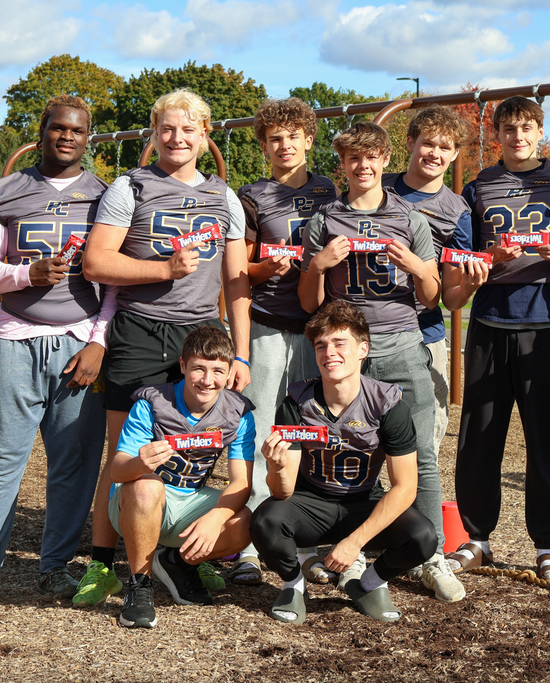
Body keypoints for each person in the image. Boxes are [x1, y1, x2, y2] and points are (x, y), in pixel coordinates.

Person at [0, 95, 112, 614]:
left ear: (88, 138)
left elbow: (117, 284)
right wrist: (24, 275)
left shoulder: (108, 198)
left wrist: (99, 341)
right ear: (41, 133)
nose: (67, 138)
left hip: (80, 343)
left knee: (73, 464)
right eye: (58, 129)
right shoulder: (5, 193)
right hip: (15, 339)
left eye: (77, 131)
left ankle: (54, 567)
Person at [75, 87, 252, 606]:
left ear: (205, 134)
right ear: (154, 133)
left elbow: (236, 280)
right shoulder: (130, 187)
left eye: (187, 129)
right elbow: (97, 262)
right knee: (124, 454)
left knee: (202, 448)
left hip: (201, 335)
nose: (176, 138)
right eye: (166, 129)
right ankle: (103, 564)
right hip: (142, 330)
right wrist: (163, 269)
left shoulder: (225, 196)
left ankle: (178, 551)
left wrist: (240, 353)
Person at [298, 121, 464, 602]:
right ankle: (349, 553)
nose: (363, 166)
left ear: (386, 160)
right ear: (344, 164)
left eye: (371, 158)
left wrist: (417, 267)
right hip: (346, 351)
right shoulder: (325, 219)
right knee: (345, 452)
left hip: (401, 343)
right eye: (354, 158)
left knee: (421, 455)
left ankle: (428, 554)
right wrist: (318, 265)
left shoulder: (410, 219)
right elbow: (310, 303)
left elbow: (432, 296)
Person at [444, 95, 550, 582]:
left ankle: (547, 544)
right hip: (490, 322)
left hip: (546, 324)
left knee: (545, 437)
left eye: (527, 128)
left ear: (539, 131)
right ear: (497, 134)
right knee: (479, 436)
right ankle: (476, 538)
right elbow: (462, 257)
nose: (518, 137)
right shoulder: (478, 185)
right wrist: (493, 255)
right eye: (509, 129)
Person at [251, 301, 436, 623]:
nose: (329, 353)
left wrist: (354, 543)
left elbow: (405, 487)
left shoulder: (388, 404)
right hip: (313, 502)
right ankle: (294, 585)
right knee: (265, 520)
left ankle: (370, 584)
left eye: (340, 343)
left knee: (424, 537)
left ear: (363, 349)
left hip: (363, 499)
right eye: (321, 345)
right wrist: (276, 467)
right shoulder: (297, 402)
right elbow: (283, 492)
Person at [230, 97, 336, 585]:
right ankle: (248, 542)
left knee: (314, 435)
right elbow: (239, 271)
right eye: (275, 138)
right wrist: (263, 268)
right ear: (264, 145)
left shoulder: (331, 191)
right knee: (259, 432)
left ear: (309, 140)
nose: (285, 144)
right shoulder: (250, 196)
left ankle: (310, 538)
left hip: (318, 328)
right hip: (271, 324)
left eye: (294, 136)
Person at [109, 326, 255, 629]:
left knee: (247, 523)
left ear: (229, 373)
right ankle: (140, 586)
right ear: (182, 366)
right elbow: (117, 470)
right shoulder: (151, 404)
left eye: (217, 371)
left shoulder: (238, 413)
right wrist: (140, 461)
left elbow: (241, 483)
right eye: (198, 368)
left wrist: (216, 518)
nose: (207, 380)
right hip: (136, 503)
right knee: (148, 484)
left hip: (188, 503)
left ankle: (176, 563)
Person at [382, 105, 472, 457]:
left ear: (455, 154)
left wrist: (469, 286)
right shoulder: (377, 184)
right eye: (428, 143)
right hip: (370, 325)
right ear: (410, 143)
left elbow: (450, 297)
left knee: (424, 445)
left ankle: (421, 512)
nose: (435, 153)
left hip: (423, 330)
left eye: (445, 147)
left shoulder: (456, 211)